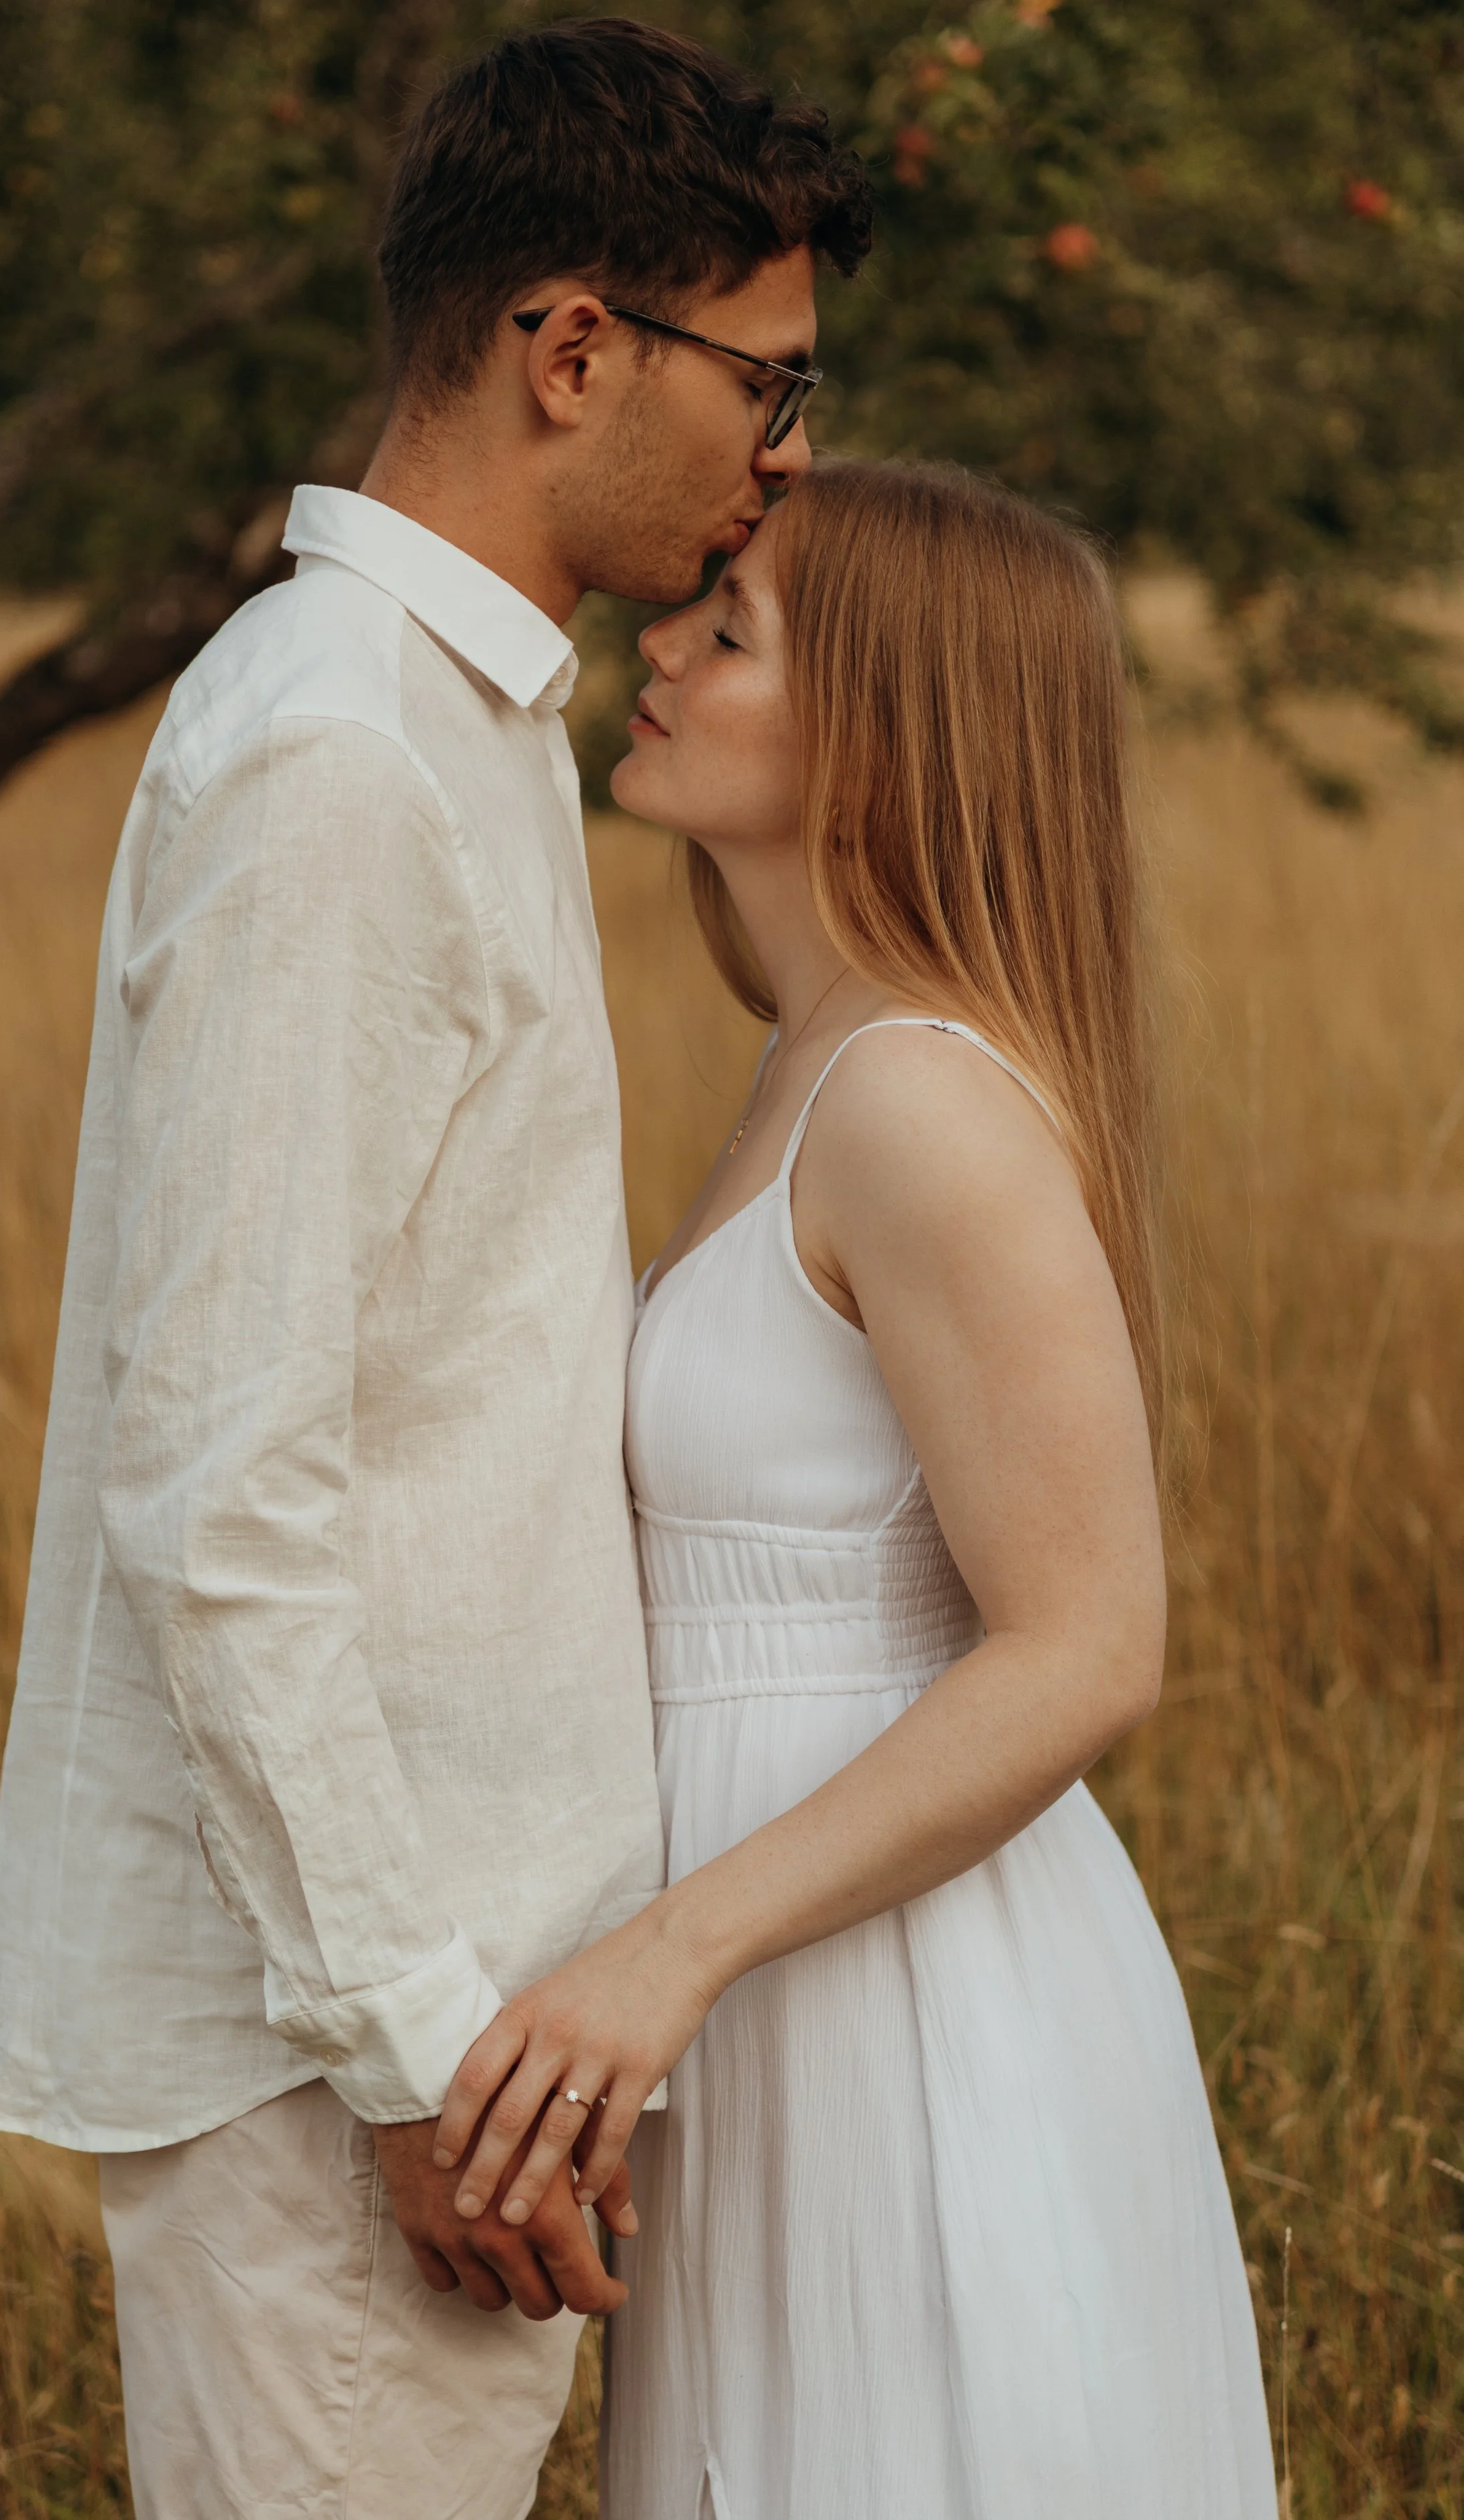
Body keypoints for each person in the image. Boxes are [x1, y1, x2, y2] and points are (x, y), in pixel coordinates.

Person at [0, 22, 871, 2518]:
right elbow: (219, 1495)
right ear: (569, 345)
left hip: (459, 2028)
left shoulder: (453, 720)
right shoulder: (340, 754)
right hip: (360, 2058)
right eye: (766, 379)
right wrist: (409, 2057)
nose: (785, 448)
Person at [434, 461, 1281, 2518]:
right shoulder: (811, 1064)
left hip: (904, 2000)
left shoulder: (917, 1098)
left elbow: (1084, 1647)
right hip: (767, 1982)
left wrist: (669, 1955)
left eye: (727, 638)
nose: (661, 649)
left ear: (875, 738)